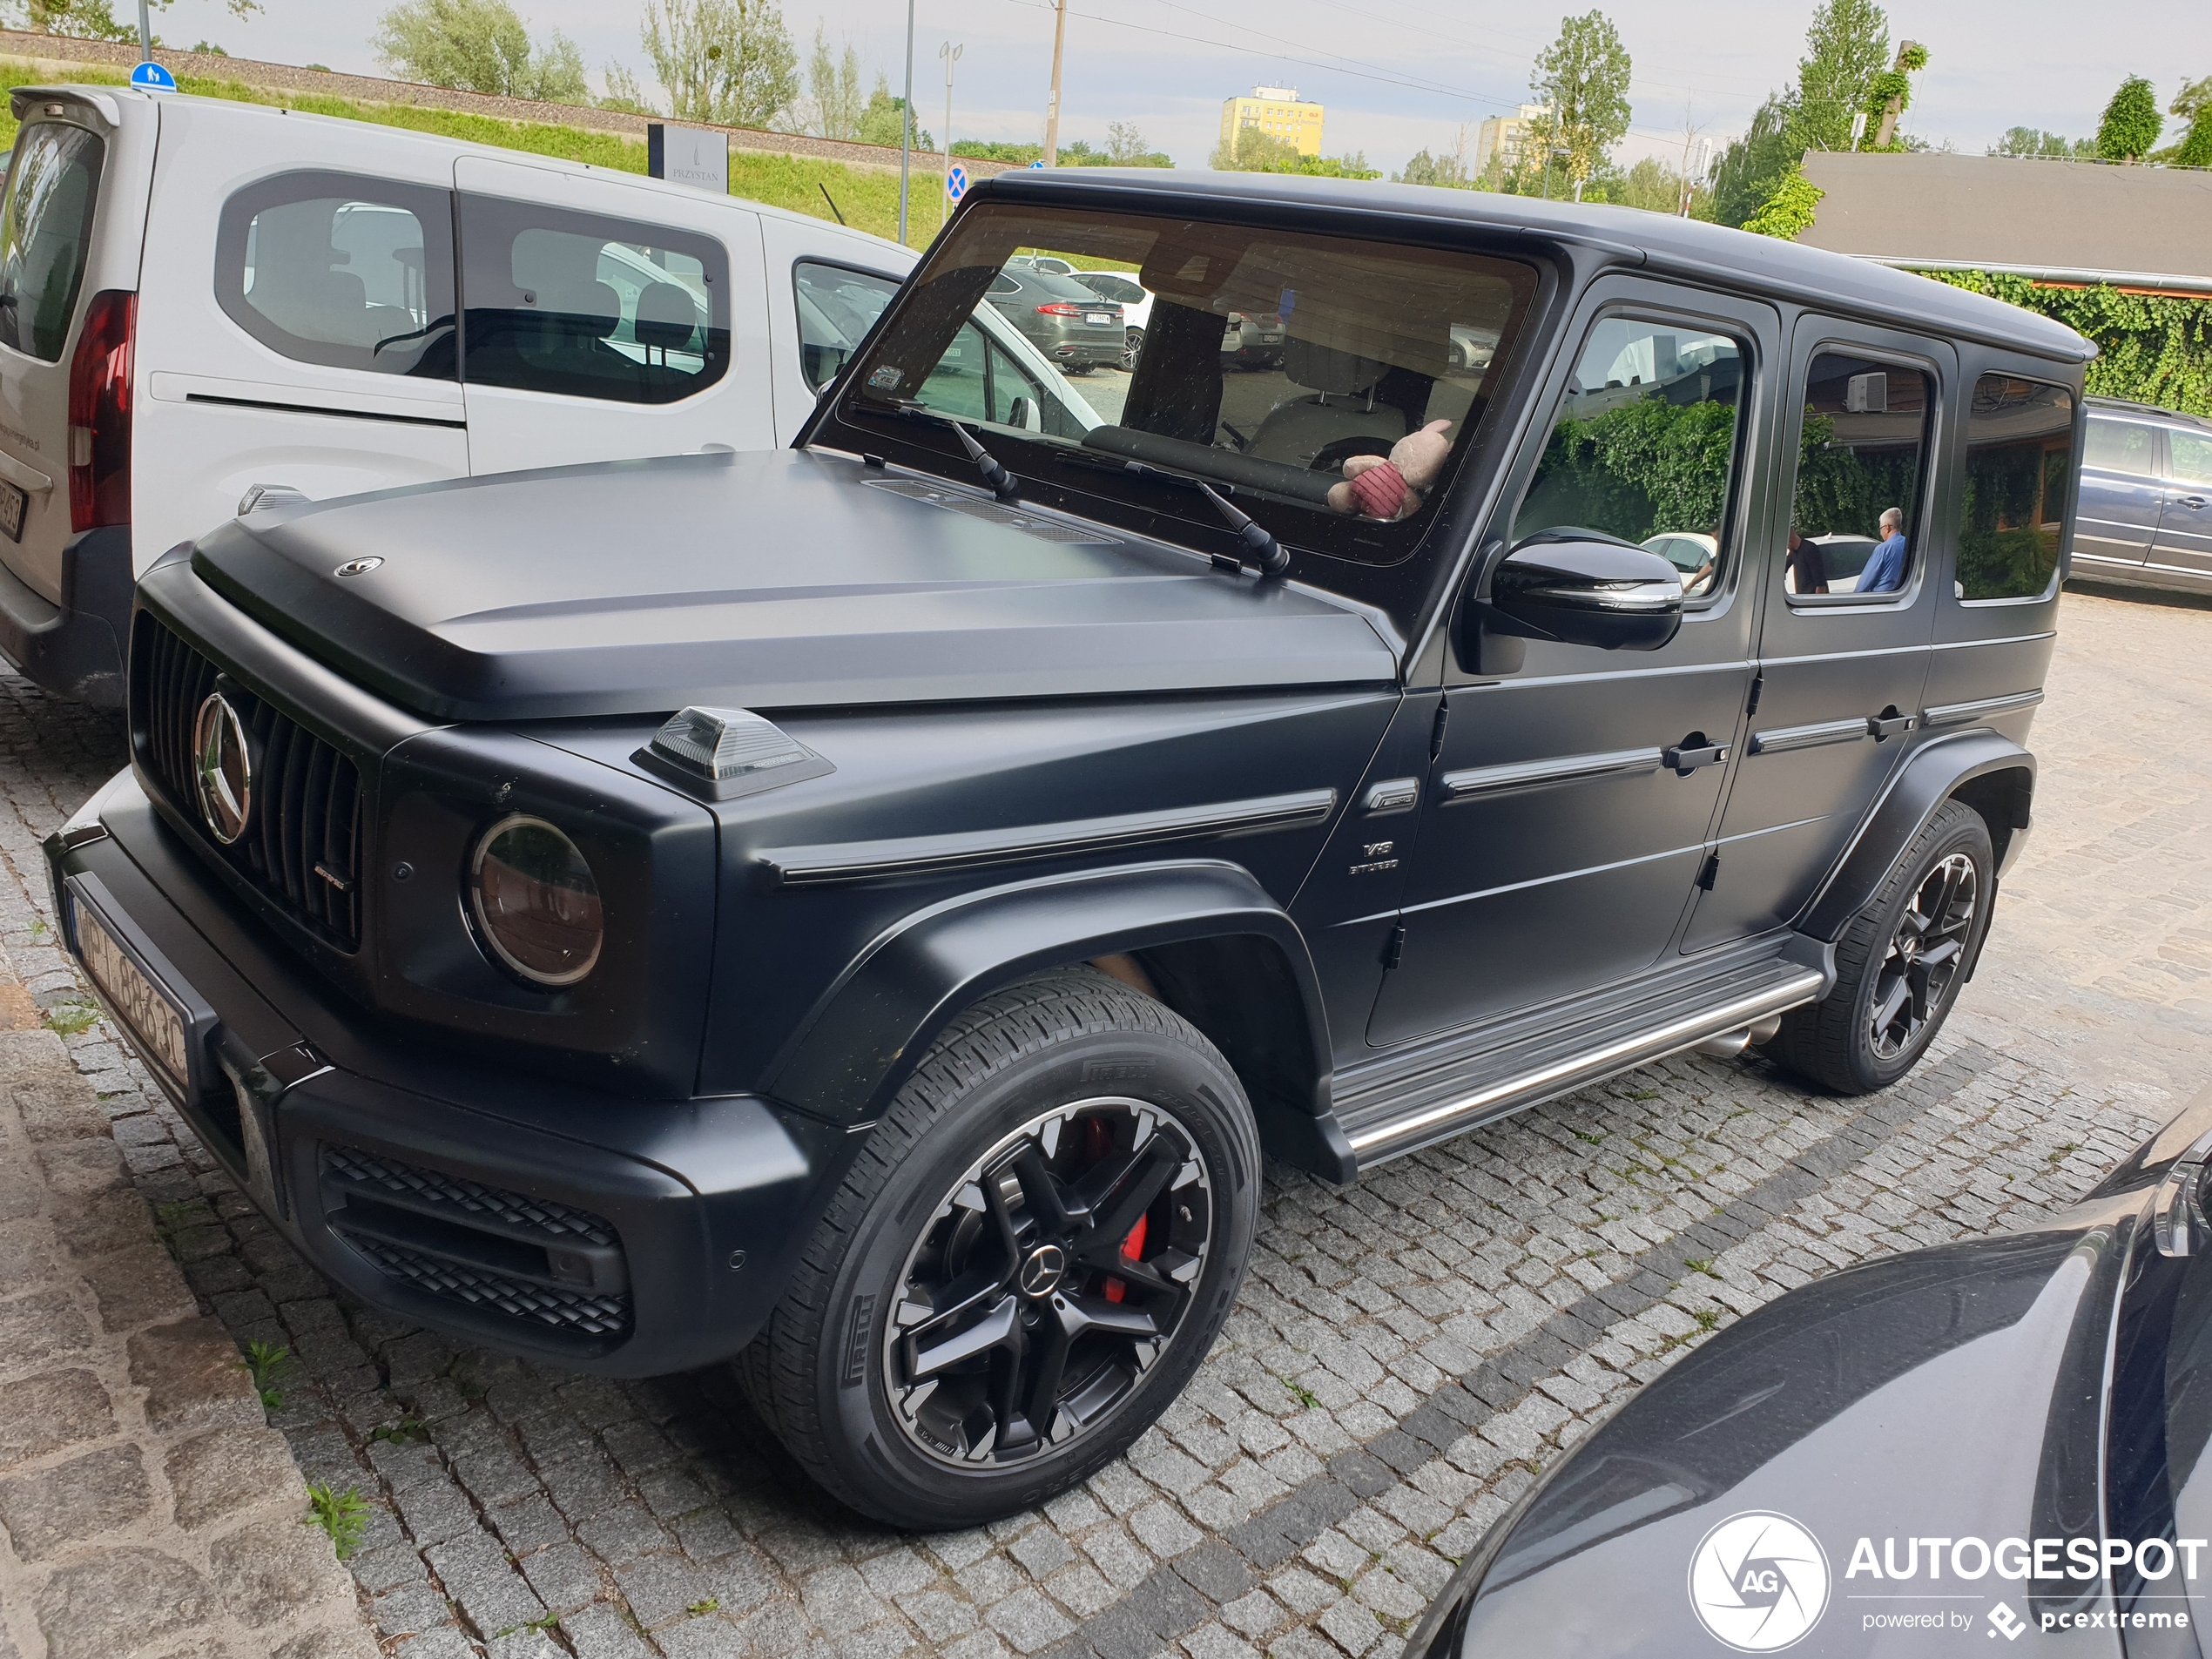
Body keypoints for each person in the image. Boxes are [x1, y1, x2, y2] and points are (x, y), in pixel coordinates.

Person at [1857, 507, 1909, 594]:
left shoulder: (1883, 549)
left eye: (1881, 528)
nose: (1880, 533)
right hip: (1904, 597)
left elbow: (1864, 584)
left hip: (1882, 600)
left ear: (1887, 528)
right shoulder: (1909, 545)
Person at [1784, 528, 1828, 595]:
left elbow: (1821, 583)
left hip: (1811, 599)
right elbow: (1782, 568)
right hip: (1801, 597)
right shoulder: (1793, 552)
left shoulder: (1810, 550)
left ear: (1790, 540)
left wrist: (1816, 602)